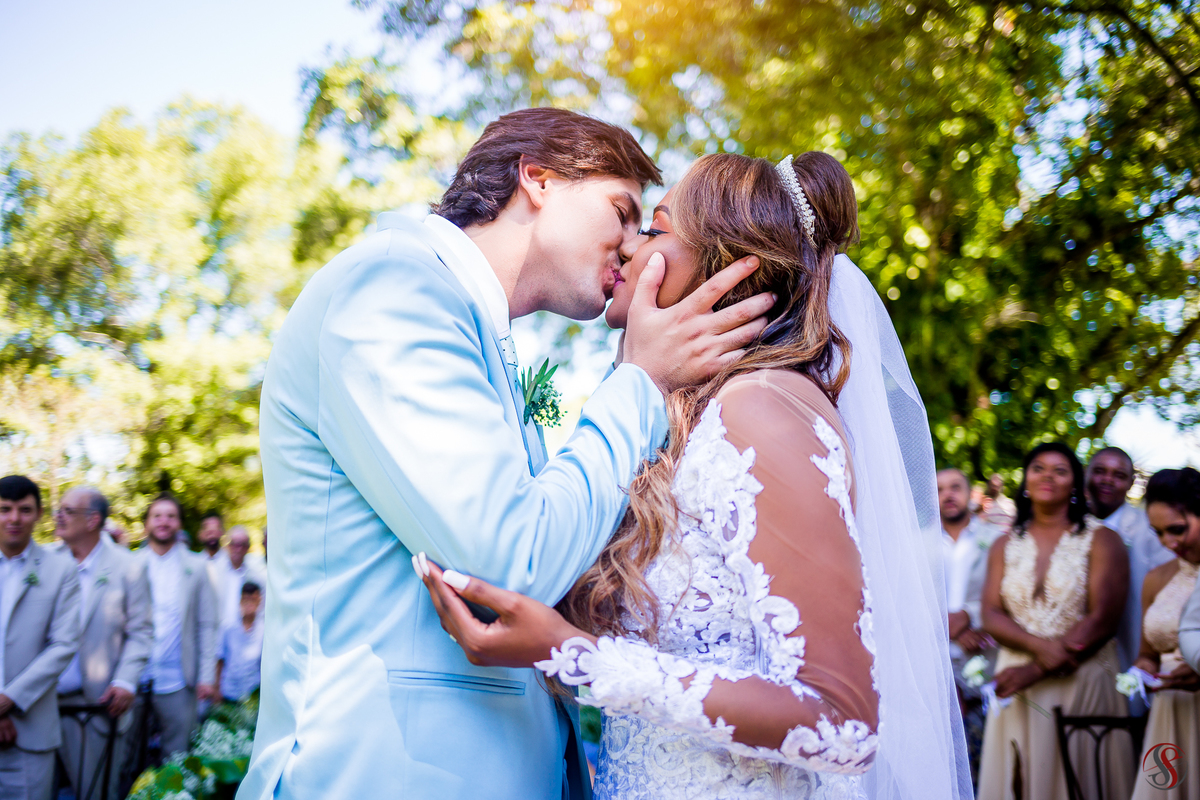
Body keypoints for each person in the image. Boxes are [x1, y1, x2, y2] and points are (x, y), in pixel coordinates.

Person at [239, 108, 777, 800]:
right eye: (621, 210)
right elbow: (512, 561)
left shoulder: (466, 324)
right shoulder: (393, 291)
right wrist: (639, 382)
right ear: (539, 179)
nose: (633, 244)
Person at [416, 152, 970, 799]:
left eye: (653, 227)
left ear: (731, 264)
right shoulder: (683, 425)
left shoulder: (762, 409)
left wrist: (573, 654)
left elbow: (844, 724)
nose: (627, 247)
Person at [977, 443, 1132, 800]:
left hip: (1081, 676)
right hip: (1014, 679)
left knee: (1078, 778)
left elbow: (1103, 619)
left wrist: (1035, 670)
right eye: (1038, 468)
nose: (1047, 476)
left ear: (1076, 484)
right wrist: (1039, 651)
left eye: (1060, 470)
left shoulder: (1103, 539)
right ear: (1026, 481)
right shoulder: (1004, 544)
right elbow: (990, 613)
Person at [54, 486, 152, 800]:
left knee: (95, 794)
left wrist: (125, 681)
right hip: (39, 708)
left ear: (93, 520)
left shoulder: (128, 566)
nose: (59, 516)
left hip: (96, 709)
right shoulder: (46, 562)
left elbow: (141, 632)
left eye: (68, 511)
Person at [0, 475, 81, 800]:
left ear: (38, 514)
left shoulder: (61, 569)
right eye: (5, 509)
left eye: (24, 509)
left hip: (30, 729)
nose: (14, 519)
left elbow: (63, 645)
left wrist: (9, 699)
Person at [133, 493, 219, 758]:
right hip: (135, 679)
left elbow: (207, 624)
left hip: (179, 681)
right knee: (126, 758)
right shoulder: (130, 563)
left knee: (177, 756)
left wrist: (206, 676)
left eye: (171, 516)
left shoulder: (197, 566)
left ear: (179, 523)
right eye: (157, 515)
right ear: (147, 523)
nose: (164, 521)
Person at [1132, 468, 1200, 799]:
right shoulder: (1157, 579)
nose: (1168, 543)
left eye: (1177, 529)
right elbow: (1147, 652)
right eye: (1158, 533)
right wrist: (1143, 669)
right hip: (1169, 714)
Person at [938, 467, 1002, 783]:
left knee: (986, 766)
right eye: (938, 489)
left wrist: (969, 618)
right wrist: (945, 625)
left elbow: (1007, 591)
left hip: (983, 661)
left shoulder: (996, 540)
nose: (947, 495)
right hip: (934, 666)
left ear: (970, 494)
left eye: (955, 487)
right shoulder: (918, 543)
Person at [1087, 446, 1173, 670]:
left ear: (1131, 482)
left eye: (1119, 475)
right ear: (1086, 473)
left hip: (1127, 646)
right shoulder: (1068, 524)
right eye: (1100, 471)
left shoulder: (1150, 529)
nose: (1107, 480)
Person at [214, 582, 264, 704]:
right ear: (240, 601)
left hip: (253, 697)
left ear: (259, 601)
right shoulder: (228, 627)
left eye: (253, 600)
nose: (249, 604)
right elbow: (220, 660)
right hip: (229, 693)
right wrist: (216, 689)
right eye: (246, 599)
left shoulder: (264, 630)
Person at [210, 526, 266, 631]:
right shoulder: (215, 571)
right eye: (234, 544)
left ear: (248, 547)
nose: (238, 549)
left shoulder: (256, 575)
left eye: (243, 545)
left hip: (245, 636)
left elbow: (262, 607)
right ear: (228, 546)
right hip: (220, 633)